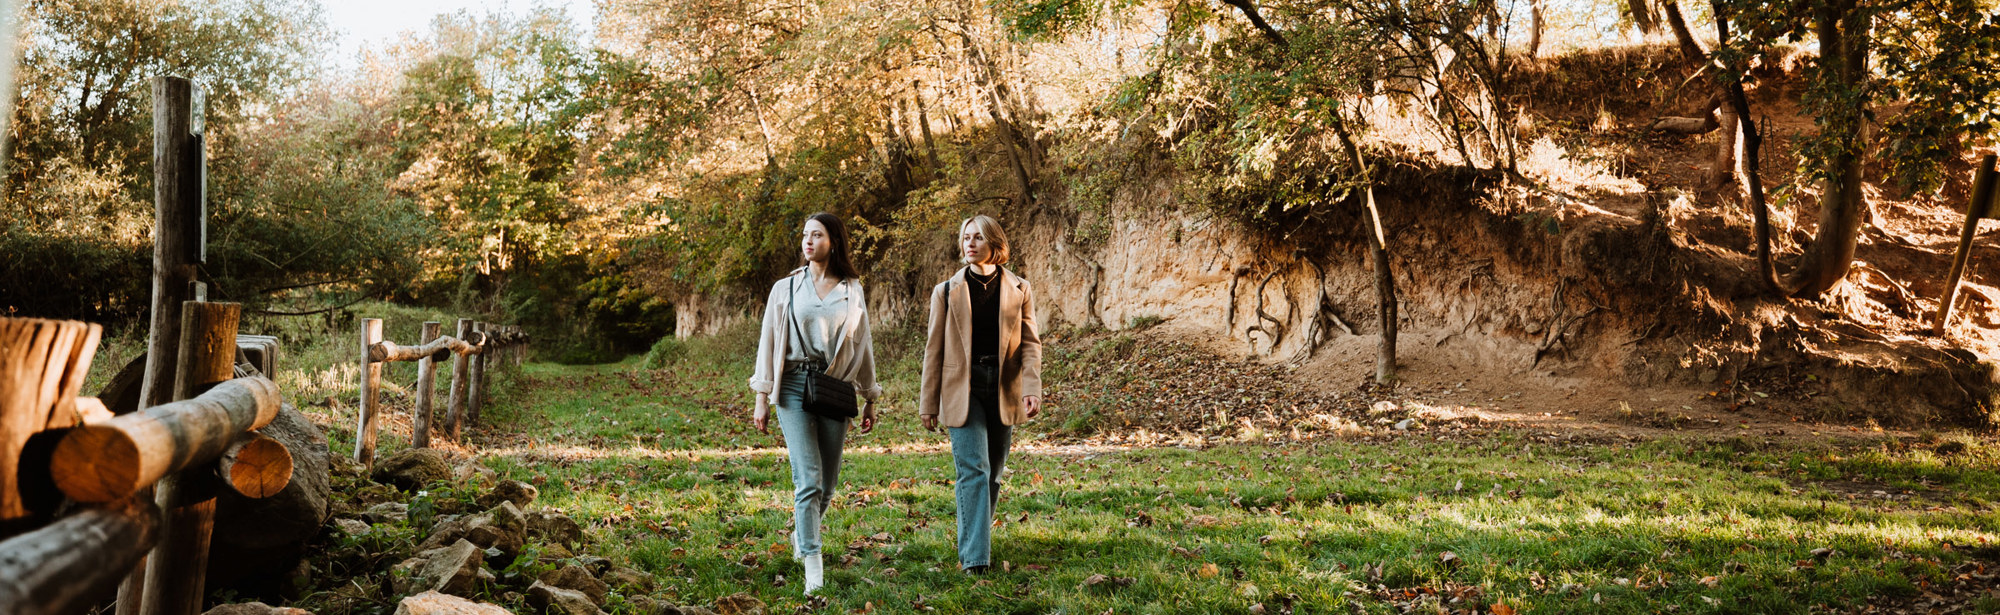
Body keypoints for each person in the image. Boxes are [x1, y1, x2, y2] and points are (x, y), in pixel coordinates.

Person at [748, 212, 882, 595]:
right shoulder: (786, 288)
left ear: (833, 241)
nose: (808, 241)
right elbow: (768, 342)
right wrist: (762, 396)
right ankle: (813, 565)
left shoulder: (851, 289)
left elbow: (863, 344)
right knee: (807, 478)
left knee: (828, 484)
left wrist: (870, 396)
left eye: (817, 234)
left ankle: (802, 534)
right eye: (805, 234)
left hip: (834, 386)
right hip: (792, 385)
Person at [918, 214, 1043, 574]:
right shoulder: (945, 291)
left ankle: (976, 538)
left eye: (977, 238)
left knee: (994, 473)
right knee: (974, 468)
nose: (969, 244)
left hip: (1003, 387)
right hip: (962, 387)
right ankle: (975, 559)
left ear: (994, 245)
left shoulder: (1020, 289)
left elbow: (1031, 344)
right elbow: (933, 350)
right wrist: (929, 403)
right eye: (966, 238)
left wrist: (1031, 388)